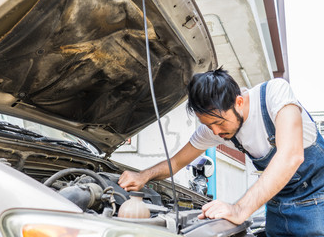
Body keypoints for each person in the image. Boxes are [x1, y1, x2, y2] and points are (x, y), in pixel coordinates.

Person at [118, 67, 324, 236]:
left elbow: (291, 155)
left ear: (239, 102)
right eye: (208, 125)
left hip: (318, 206)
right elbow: (176, 162)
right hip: (277, 209)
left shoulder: (275, 95)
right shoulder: (215, 128)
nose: (215, 131)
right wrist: (142, 176)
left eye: (218, 122)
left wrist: (239, 209)